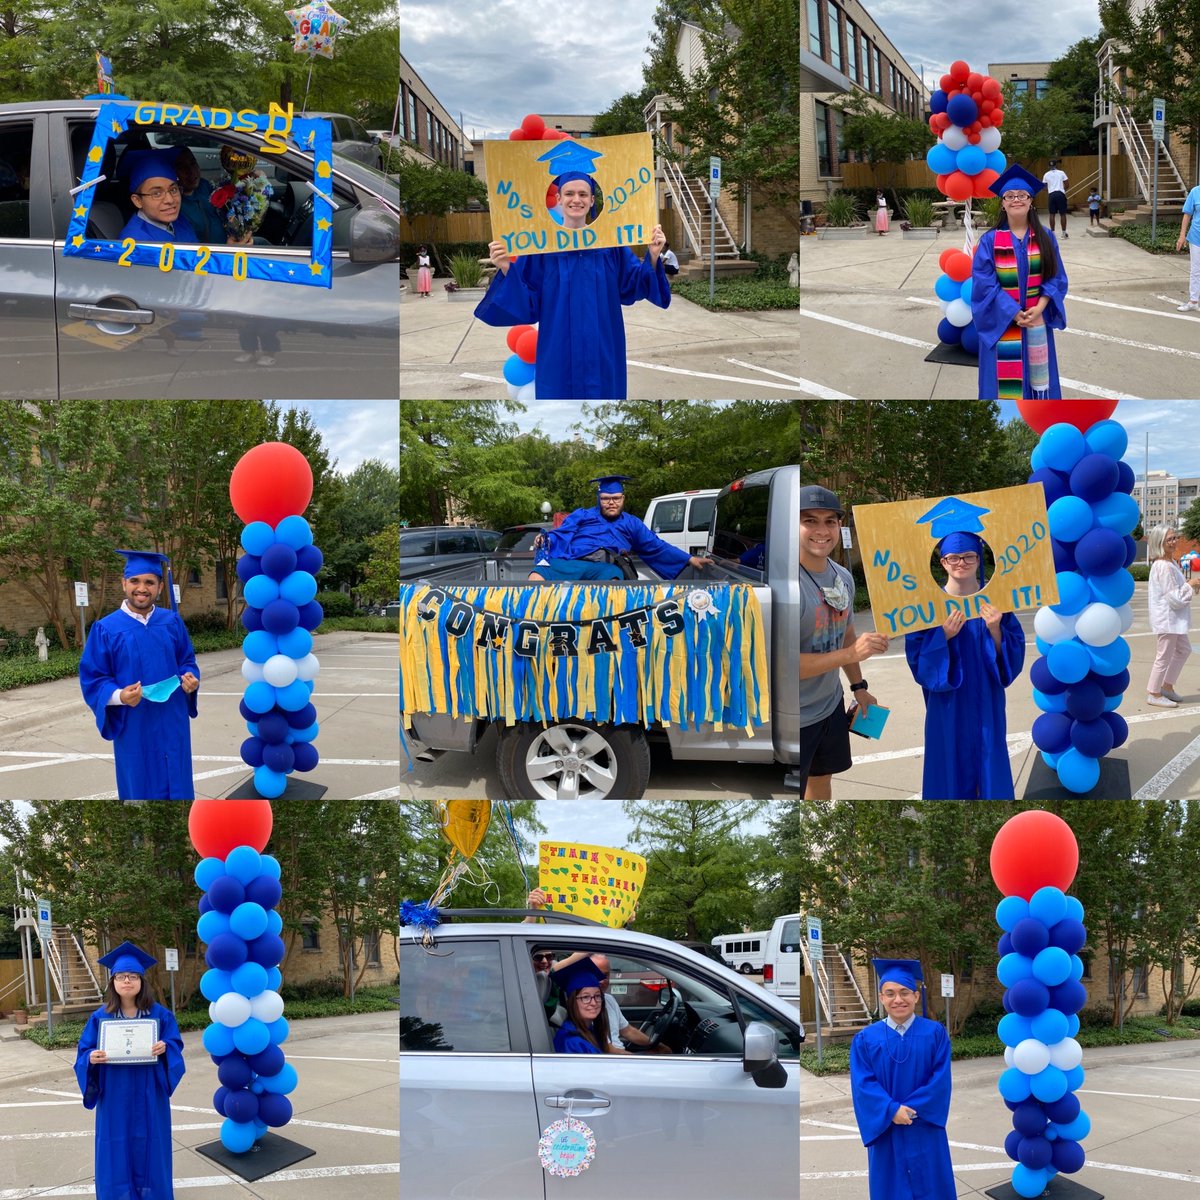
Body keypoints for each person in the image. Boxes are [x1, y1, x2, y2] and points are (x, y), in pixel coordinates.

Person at [475, 168, 670, 399]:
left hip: (603, 347)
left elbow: (634, 284)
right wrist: (507, 267)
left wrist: (654, 255)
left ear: (592, 201)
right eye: (569, 194)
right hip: (559, 348)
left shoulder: (610, 245)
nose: (576, 199)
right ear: (558, 199)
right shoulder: (542, 247)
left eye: (583, 194)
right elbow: (529, 301)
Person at [904, 532, 1025, 799]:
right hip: (948, 705)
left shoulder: (997, 601)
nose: (961, 563)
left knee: (989, 760)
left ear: (979, 559)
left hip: (987, 701)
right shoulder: (927, 606)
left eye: (969, 556)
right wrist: (942, 636)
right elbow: (917, 662)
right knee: (948, 761)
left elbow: (1012, 658)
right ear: (943, 562)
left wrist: (995, 629)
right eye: (954, 558)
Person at [78, 550, 200, 800]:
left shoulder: (172, 622)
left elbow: (187, 660)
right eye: (135, 581)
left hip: (172, 719)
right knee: (139, 785)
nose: (141, 588)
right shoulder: (106, 629)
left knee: (178, 780)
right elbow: (93, 678)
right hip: (134, 722)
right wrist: (119, 696)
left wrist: (190, 678)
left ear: (159, 586)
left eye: (149, 582)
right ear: (124, 583)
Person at [74, 942, 186, 1200]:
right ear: (113, 981)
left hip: (149, 1092)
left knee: (151, 1144)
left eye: (133, 976)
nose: (127, 981)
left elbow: (175, 1047)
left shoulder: (161, 1015)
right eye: (121, 977)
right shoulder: (100, 1017)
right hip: (114, 1093)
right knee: (115, 1145)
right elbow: (84, 1051)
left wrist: (165, 1048)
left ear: (141, 981)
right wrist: (91, 1057)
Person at [798, 486, 888, 800]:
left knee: (822, 782)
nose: (821, 531)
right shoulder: (787, 586)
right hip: (793, 718)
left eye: (829, 521)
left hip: (829, 705)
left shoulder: (842, 577)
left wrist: (858, 687)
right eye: (810, 521)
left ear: (840, 526)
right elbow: (784, 666)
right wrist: (849, 653)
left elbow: (846, 632)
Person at [850, 959, 955, 1200]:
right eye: (890, 993)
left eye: (905, 992)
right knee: (891, 1186)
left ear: (916, 996)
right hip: (886, 1126)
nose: (898, 1000)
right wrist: (891, 1110)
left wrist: (911, 1110)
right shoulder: (866, 1038)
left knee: (931, 1182)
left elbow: (940, 1080)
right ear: (882, 998)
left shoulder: (935, 1033)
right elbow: (862, 1084)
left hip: (924, 1123)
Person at [972, 163, 1068, 400]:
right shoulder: (989, 241)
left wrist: (1040, 309)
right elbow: (985, 284)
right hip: (1003, 323)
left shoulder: (1046, 236)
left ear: (1031, 200)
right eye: (1010, 196)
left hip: (1037, 320)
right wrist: (1014, 312)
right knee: (1003, 392)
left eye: (1022, 195)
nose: (1016, 199)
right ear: (1002, 203)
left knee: (1040, 387)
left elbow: (1055, 277)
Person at [527, 475, 713, 582]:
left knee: (613, 577)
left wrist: (689, 558)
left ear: (623, 498)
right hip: (573, 562)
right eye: (606, 499)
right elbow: (563, 532)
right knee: (539, 573)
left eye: (616, 498)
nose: (611, 503)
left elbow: (655, 545)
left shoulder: (631, 523)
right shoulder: (583, 514)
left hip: (603, 568)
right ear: (599, 499)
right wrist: (546, 539)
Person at [1146, 525, 1200, 706]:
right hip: (1168, 619)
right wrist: (1190, 584)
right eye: (1169, 539)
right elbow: (1175, 598)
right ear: (1159, 542)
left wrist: (1189, 584)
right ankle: (1153, 693)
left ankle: (1167, 687)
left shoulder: (1171, 563)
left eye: (1175, 537)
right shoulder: (1163, 566)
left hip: (1174, 619)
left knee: (1184, 650)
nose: (1174, 542)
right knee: (1163, 656)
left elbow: (1175, 590)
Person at [118, 149, 198, 243]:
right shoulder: (134, 243)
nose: (170, 200)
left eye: (173, 190)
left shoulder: (179, 220)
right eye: (156, 193)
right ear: (138, 201)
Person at [552, 957, 611, 1054]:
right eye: (585, 997)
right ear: (572, 1002)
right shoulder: (571, 1042)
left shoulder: (589, 1030)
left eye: (597, 996)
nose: (593, 1003)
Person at [173, 147, 226, 244]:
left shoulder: (204, 185)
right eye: (182, 167)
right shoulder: (175, 205)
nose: (191, 171)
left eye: (193, 163)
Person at [1176, 180, 1200, 312]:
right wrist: (1182, 235)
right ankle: (1193, 301)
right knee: (1196, 270)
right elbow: (1187, 214)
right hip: (1196, 237)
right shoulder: (1195, 192)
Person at [1042, 159, 1069, 236]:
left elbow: (1043, 187)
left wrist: (1049, 189)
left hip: (1052, 194)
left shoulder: (1046, 174)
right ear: (1055, 165)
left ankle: (1052, 233)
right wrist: (1062, 190)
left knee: (1052, 214)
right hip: (1060, 194)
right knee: (1063, 214)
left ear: (1049, 166)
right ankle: (1063, 233)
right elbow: (1067, 184)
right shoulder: (1061, 173)